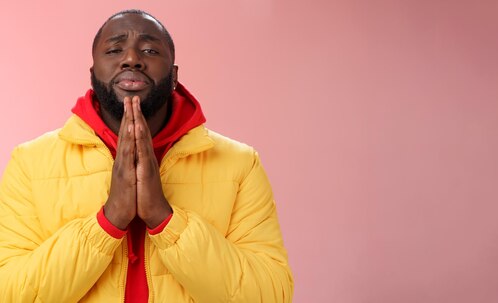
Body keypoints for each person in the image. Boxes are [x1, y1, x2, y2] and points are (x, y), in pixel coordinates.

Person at [0, 9, 293, 302]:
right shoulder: (30, 163)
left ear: (174, 75)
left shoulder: (240, 164)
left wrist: (164, 217)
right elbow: (9, 292)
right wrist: (110, 219)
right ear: (92, 75)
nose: (131, 59)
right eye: (115, 49)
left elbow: (270, 295)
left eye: (150, 50)